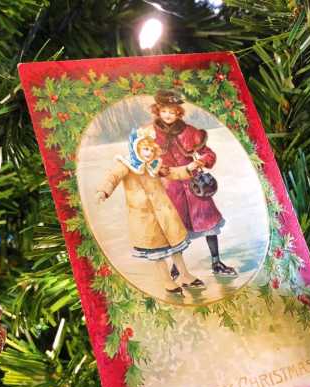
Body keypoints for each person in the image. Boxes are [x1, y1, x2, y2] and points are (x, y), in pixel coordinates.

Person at [96, 127, 205, 296]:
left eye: (151, 149)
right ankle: (166, 280)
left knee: (176, 247)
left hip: (164, 212)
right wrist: (104, 191)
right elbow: (113, 177)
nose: (148, 153)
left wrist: (189, 168)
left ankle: (184, 275)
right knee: (157, 253)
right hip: (145, 217)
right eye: (145, 149)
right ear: (137, 148)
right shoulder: (126, 165)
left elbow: (173, 172)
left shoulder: (155, 165)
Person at [150, 89, 237, 278]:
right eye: (164, 111)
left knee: (208, 223)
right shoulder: (151, 134)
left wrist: (201, 161)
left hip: (195, 187)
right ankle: (176, 267)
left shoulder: (189, 131)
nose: (168, 115)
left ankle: (216, 262)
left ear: (178, 113)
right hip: (171, 187)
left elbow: (208, 153)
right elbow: (147, 159)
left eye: (172, 112)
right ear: (158, 110)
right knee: (175, 228)